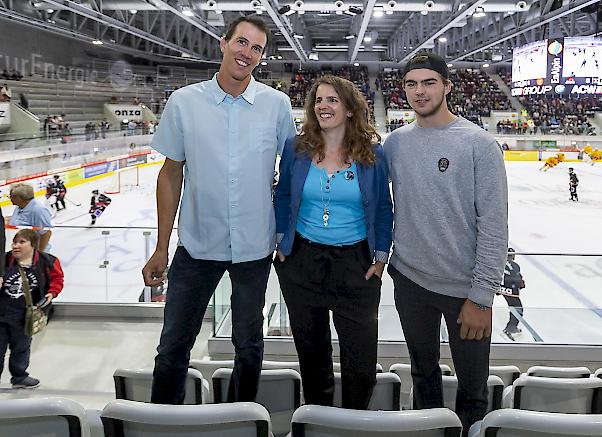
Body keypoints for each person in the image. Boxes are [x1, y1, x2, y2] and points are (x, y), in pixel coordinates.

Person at [141, 16, 296, 405]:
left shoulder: (276, 106)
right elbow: (170, 174)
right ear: (223, 43)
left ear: (261, 57)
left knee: (249, 345)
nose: (247, 53)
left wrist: (286, 233)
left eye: (257, 48)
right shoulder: (184, 102)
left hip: (254, 248)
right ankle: (164, 421)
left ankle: (239, 417)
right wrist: (161, 246)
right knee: (173, 345)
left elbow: (293, 173)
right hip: (196, 246)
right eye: (241, 43)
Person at [382, 53, 508, 434]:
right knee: (422, 375)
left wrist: (482, 297)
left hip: (464, 292)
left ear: (448, 86)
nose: (419, 92)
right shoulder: (396, 143)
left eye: (428, 83)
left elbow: (494, 225)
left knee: (472, 389)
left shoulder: (479, 144)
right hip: (409, 282)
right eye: (411, 84)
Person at [274, 76, 393, 409]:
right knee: (313, 357)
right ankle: (318, 421)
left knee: (360, 363)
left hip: (355, 265)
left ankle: (352, 423)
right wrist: (282, 240)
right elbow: (282, 194)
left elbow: (384, 208)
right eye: (318, 101)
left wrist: (380, 257)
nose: (323, 106)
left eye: (332, 100)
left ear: (351, 109)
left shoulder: (372, 154)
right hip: (302, 261)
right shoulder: (297, 149)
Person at [0, 229, 64, 389]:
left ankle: (19, 377)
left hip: (25, 317)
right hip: (2, 315)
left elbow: (58, 278)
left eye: (22, 242)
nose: (16, 246)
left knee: (21, 348)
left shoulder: (47, 261)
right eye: (14, 242)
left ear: (33, 245)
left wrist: (52, 292)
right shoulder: (4, 260)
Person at [8, 184, 53, 253]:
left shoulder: (38, 210)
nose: (10, 199)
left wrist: (38, 253)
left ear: (21, 198)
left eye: (12, 196)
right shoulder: (20, 206)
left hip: (33, 252)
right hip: (22, 250)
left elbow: (46, 233)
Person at [499, 248, 525, 336]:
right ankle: (511, 328)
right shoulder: (515, 265)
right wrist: (521, 284)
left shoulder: (499, 262)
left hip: (500, 287)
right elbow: (518, 279)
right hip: (511, 289)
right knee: (518, 308)